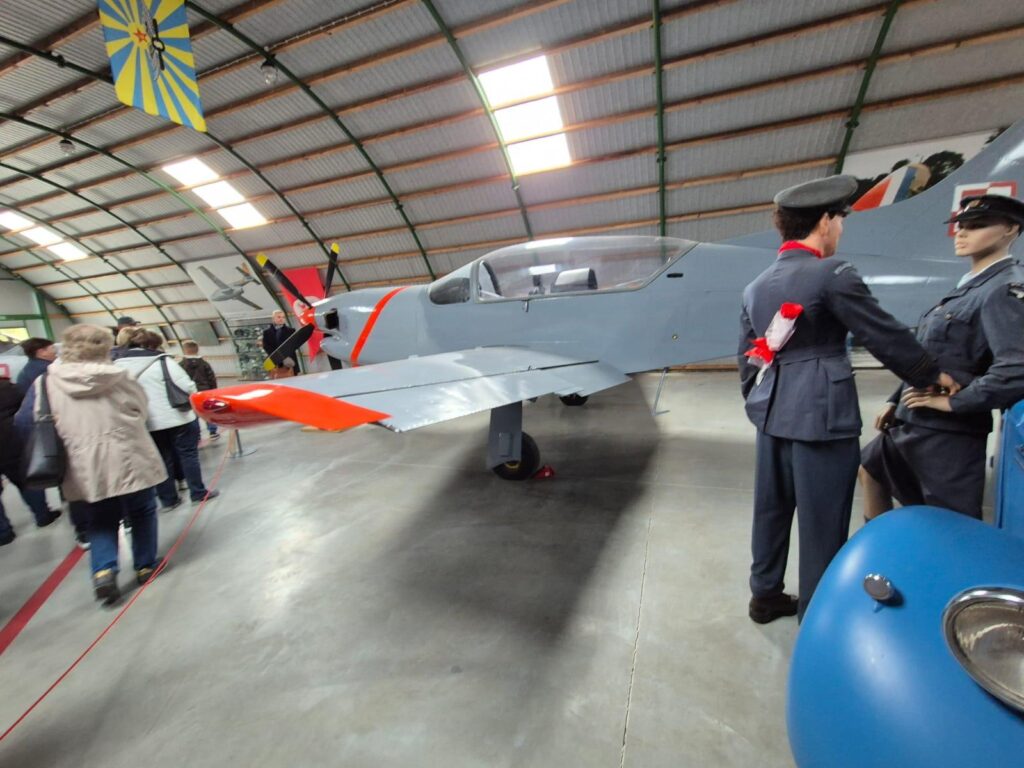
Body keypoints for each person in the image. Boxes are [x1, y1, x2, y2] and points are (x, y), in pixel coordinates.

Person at [739, 175, 957, 623]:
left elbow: (749, 358)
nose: (840, 229)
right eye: (840, 220)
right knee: (823, 519)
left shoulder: (756, 286)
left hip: (771, 413)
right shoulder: (832, 273)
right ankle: (817, 616)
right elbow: (881, 332)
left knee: (771, 509)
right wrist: (929, 375)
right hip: (822, 414)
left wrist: (758, 403)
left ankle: (765, 595)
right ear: (825, 221)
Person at [860, 194, 1024, 521]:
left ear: (1010, 229)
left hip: (950, 435)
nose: (961, 232)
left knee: (950, 522)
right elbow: (934, 353)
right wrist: (896, 400)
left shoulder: (1003, 290)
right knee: (870, 468)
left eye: (976, 225)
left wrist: (953, 403)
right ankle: (887, 547)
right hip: (915, 420)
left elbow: (1016, 368)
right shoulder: (969, 287)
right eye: (960, 225)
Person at [14, 325, 165, 604]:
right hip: (127, 452)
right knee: (141, 510)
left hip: (81, 460)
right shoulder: (119, 376)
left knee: (99, 516)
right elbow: (141, 409)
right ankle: (145, 565)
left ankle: (103, 571)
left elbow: (28, 421)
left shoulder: (46, 382)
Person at [114, 329, 219, 507]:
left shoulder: (118, 366)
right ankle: (197, 491)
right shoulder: (163, 361)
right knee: (188, 455)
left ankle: (168, 499)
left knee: (161, 458)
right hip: (176, 417)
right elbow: (187, 386)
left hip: (146, 421)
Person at [0, 372, 60, 543]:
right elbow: (29, 410)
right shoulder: (8, 388)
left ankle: (3, 533)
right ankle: (42, 515)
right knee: (25, 480)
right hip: (10, 441)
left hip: (8, 440)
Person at [179, 341, 220, 441]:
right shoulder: (204, 364)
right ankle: (213, 431)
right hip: (205, 391)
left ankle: (196, 435)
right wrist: (213, 391)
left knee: (193, 414)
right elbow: (211, 379)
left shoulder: (180, 365)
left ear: (184, 350)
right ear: (197, 350)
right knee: (208, 412)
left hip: (190, 394)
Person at [262, 309, 298, 377]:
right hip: (275, 362)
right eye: (279, 317)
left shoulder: (291, 331)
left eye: (283, 317)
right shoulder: (266, 332)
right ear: (273, 318)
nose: (281, 319)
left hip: (289, 362)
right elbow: (266, 346)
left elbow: (294, 345)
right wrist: (278, 357)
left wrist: (286, 357)